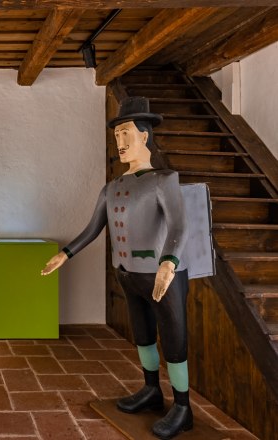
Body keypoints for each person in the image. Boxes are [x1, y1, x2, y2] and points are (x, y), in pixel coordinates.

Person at [41, 96, 192, 439]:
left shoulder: (163, 180)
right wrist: (65, 254)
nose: (120, 142)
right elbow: (93, 228)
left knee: (174, 340)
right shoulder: (111, 187)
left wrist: (169, 263)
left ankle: (183, 407)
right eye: (116, 136)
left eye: (126, 134)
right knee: (143, 336)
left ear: (145, 136)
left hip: (163, 276)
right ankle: (151, 390)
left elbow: (179, 225)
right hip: (128, 274)